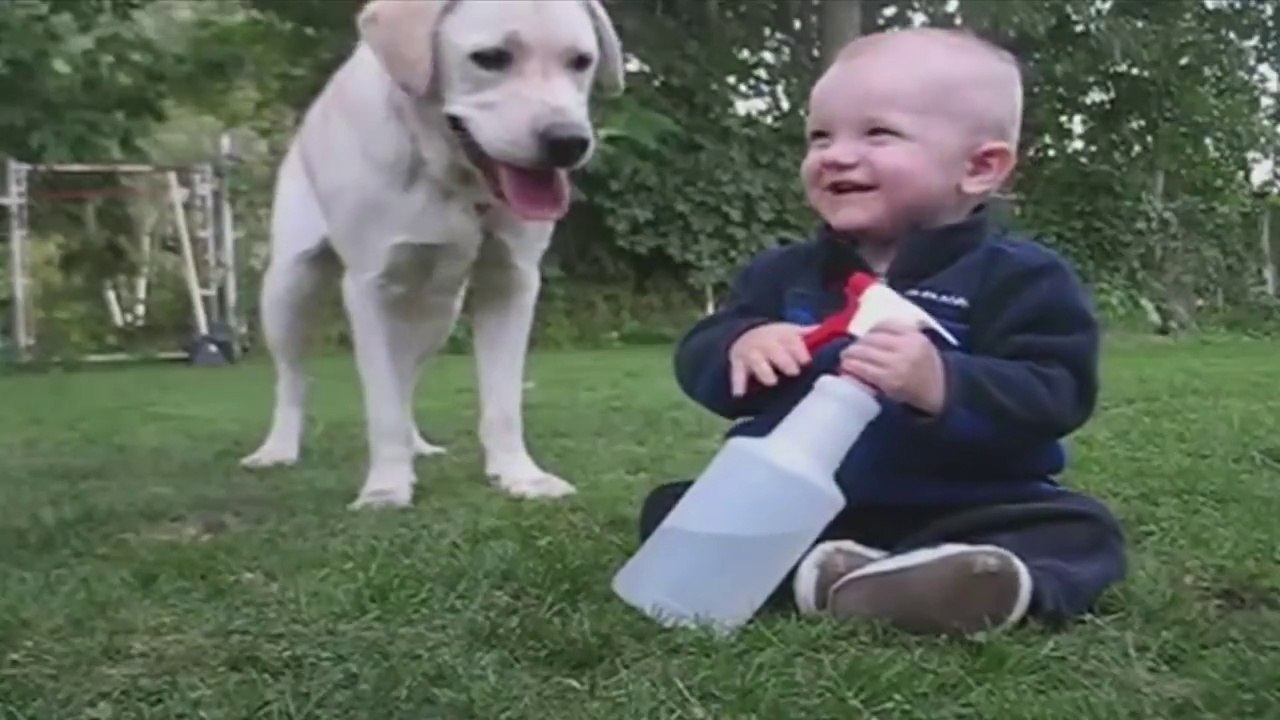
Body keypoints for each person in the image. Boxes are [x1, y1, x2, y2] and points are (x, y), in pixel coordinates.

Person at [636, 27, 1127, 637]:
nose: (835, 155)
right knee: (673, 509)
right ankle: (841, 580)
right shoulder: (785, 274)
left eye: (877, 133)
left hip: (970, 505)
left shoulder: (1022, 277)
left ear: (980, 167)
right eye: (820, 136)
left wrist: (942, 382)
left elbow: (1056, 391)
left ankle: (971, 586)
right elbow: (703, 356)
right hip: (802, 509)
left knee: (1082, 532)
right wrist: (741, 346)